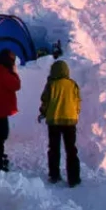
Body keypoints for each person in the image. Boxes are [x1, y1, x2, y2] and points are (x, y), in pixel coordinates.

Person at [39, 59, 81, 187]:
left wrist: (43, 113)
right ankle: (73, 179)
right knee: (71, 150)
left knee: (54, 149)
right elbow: (77, 102)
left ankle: (54, 175)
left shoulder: (51, 84)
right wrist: (75, 113)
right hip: (70, 121)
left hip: (54, 121)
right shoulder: (73, 84)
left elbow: (45, 101)